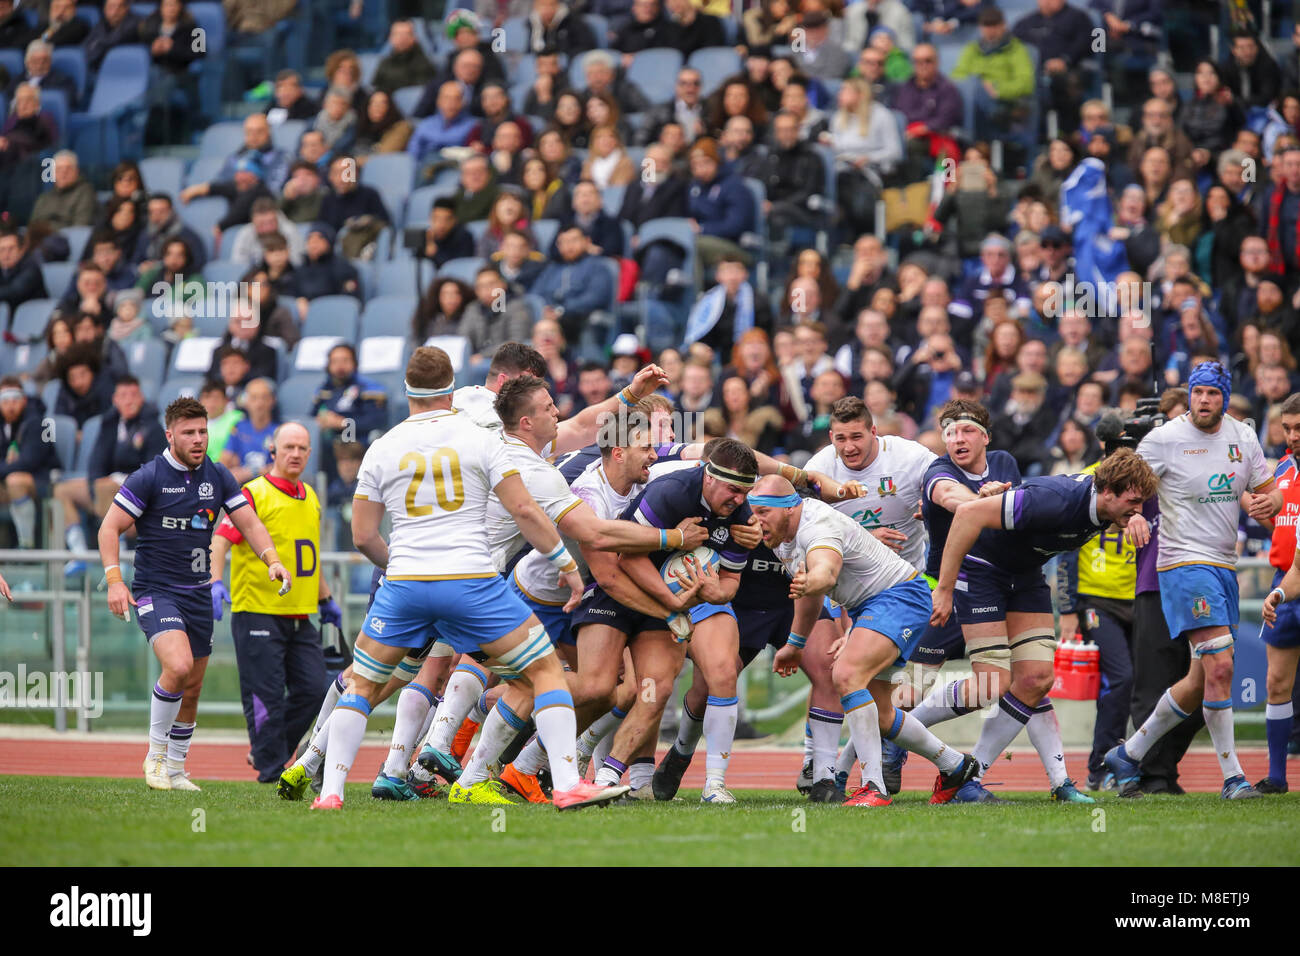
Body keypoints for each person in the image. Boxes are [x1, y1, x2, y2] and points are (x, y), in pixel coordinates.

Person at [301, 346, 629, 811]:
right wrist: (569, 568)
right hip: (470, 581)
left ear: (407, 391)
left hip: (406, 582)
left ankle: (331, 794)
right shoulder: (483, 437)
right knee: (545, 671)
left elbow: (362, 536)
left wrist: (398, 567)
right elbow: (524, 510)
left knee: (364, 685)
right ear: (453, 388)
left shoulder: (383, 444)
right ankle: (568, 784)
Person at [930, 446, 1157, 802]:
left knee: (1036, 679)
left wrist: (1134, 516)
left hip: (1025, 575)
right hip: (983, 570)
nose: (1138, 508)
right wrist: (944, 589)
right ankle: (900, 727)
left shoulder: (1108, 504)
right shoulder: (1055, 500)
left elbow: (1123, 512)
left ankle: (969, 781)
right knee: (991, 684)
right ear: (1108, 492)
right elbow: (967, 515)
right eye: (1134, 501)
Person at [1108, 363, 1282, 800]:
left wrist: (1268, 503)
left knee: (1201, 678)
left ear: (1226, 397)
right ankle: (1233, 779)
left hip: (1224, 565)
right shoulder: (1164, 440)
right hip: (1182, 563)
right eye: (1198, 392)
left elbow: (1268, 489)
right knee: (1222, 665)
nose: (1204, 400)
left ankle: (1128, 753)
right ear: (1189, 395)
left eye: (1212, 393)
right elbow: (1119, 491)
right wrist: (1131, 518)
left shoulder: (1243, 436)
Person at [98, 397, 291, 790]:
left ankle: (176, 768)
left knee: (193, 686)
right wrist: (115, 580)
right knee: (179, 666)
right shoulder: (148, 476)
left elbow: (250, 524)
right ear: (170, 435)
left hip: (199, 594)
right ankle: (153, 757)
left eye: (202, 431)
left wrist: (271, 558)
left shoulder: (218, 476)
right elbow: (108, 528)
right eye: (189, 432)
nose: (198, 439)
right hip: (156, 591)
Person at [751, 474, 978, 807]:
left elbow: (824, 574)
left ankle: (874, 787)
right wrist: (795, 644)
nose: (755, 522)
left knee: (845, 675)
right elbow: (812, 593)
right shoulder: (786, 537)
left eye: (762, 513)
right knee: (882, 713)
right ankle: (955, 766)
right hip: (876, 605)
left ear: (788, 508)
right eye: (752, 513)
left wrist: (813, 582)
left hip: (898, 598)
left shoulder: (816, 526)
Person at [209, 422, 340, 784]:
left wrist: (325, 597)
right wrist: (215, 582)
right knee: (265, 695)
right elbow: (220, 540)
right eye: (289, 447)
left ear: (310, 453)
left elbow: (308, 557)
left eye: (302, 448)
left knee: (315, 689)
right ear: (273, 451)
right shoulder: (253, 494)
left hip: (301, 614)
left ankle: (273, 751)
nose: (295, 454)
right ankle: (269, 770)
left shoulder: (311, 497)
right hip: (258, 612)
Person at [53, 375, 165, 575]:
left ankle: (118, 556)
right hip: (106, 490)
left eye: (133, 395)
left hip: (137, 494)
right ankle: (79, 553)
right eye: (123, 395)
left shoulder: (153, 427)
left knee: (106, 486)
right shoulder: (109, 424)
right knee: (63, 490)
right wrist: (94, 491)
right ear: (115, 400)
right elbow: (96, 463)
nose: (129, 400)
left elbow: (153, 472)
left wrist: (120, 485)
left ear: (142, 399)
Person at [1254, 393, 1300, 794]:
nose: (1292, 435)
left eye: (1299, 427)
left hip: (1294, 580)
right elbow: (1280, 517)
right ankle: (1277, 777)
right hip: (1285, 580)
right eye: (1287, 428)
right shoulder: (1283, 467)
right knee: (1276, 683)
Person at [0, 375, 59, 549]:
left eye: (15, 400)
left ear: (24, 400)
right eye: (4, 400)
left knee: (15, 481)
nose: (10, 405)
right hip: (6, 479)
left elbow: (29, 461)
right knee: (12, 480)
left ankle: (27, 547)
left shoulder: (39, 423)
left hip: (42, 480)